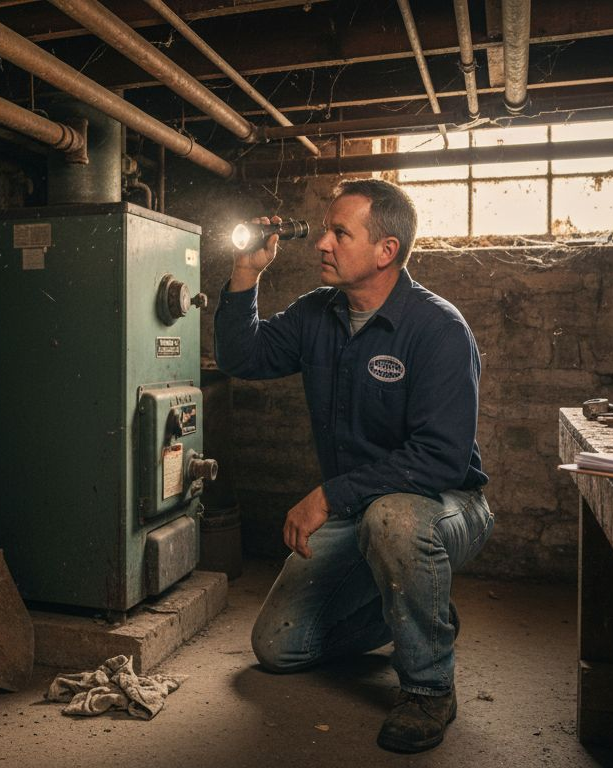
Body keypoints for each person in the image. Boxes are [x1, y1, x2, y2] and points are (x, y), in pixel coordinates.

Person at [213, 178, 493, 754]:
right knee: (278, 647)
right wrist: (246, 276)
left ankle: (428, 688)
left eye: (340, 232)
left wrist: (327, 496)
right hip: (359, 505)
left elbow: (440, 457)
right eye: (325, 229)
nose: (322, 243)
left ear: (386, 251)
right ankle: (419, 606)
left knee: (393, 521)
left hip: (442, 506)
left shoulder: (438, 329)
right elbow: (241, 356)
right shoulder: (318, 314)